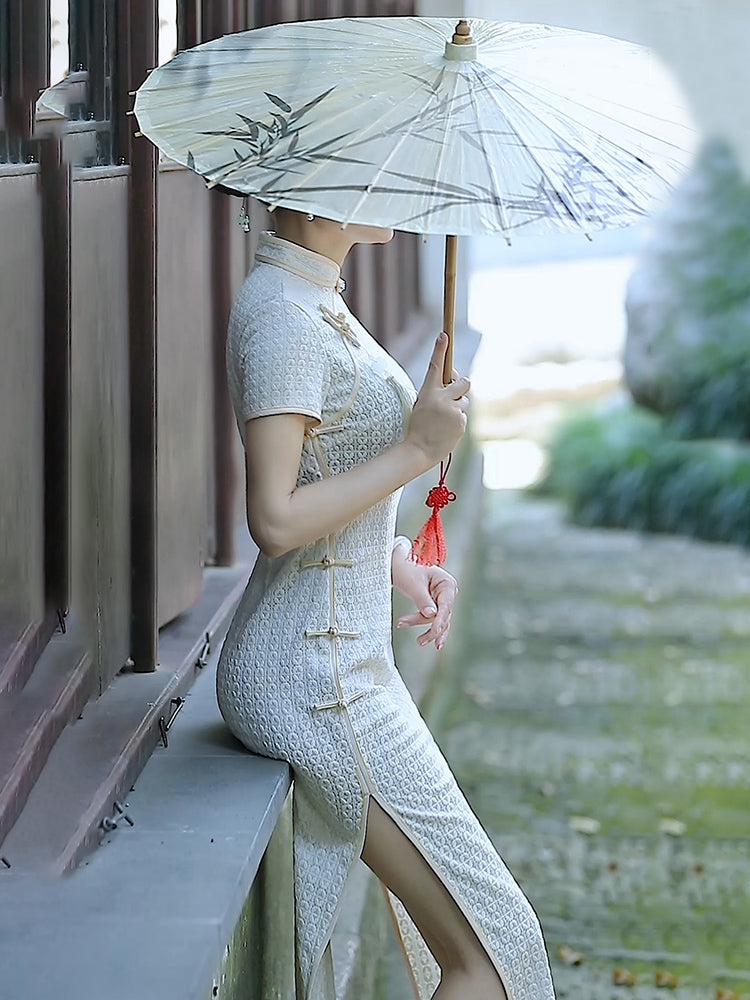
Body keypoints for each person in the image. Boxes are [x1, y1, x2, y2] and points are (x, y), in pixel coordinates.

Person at [215, 207, 556, 1000]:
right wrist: (416, 449)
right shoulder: (282, 315)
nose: (394, 190)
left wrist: (398, 560)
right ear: (316, 182)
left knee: (498, 945)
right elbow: (274, 518)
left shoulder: (315, 295)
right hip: (314, 676)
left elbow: (328, 474)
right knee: (495, 955)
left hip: (346, 659)